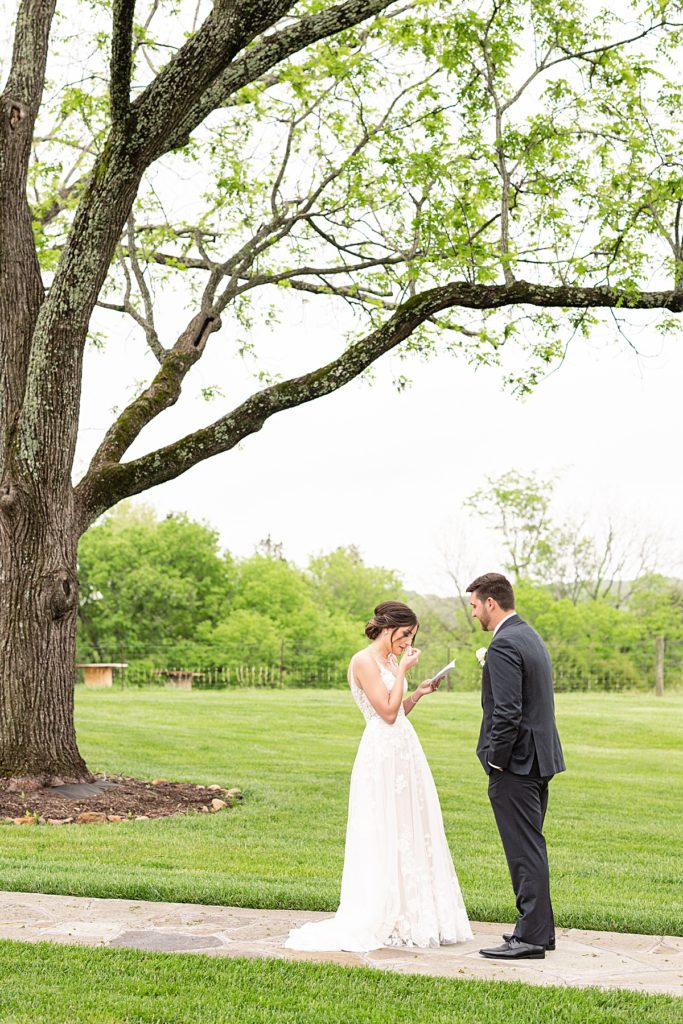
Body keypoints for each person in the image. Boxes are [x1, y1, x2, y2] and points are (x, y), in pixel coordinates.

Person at [285, 600, 472, 952]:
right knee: (384, 826)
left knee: (407, 825)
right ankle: (383, 910)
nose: (406, 642)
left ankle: (412, 910)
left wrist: (418, 691)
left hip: (402, 750)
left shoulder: (387, 661)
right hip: (380, 752)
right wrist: (403, 670)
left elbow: (398, 709)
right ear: (387, 629)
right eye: (404, 635)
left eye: (411, 637)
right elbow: (384, 713)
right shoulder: (364, 661)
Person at [467, 573, 565, 961]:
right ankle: (541, 930)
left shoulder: (505, 643)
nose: (473, 613)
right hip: (539, 759)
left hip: (517, 765)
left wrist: (495, 760)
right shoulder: (528, 634)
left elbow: (508, 712)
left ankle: (531, 938)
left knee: (523, 850)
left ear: (491, 603)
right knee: (532, 845)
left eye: (474, 605)